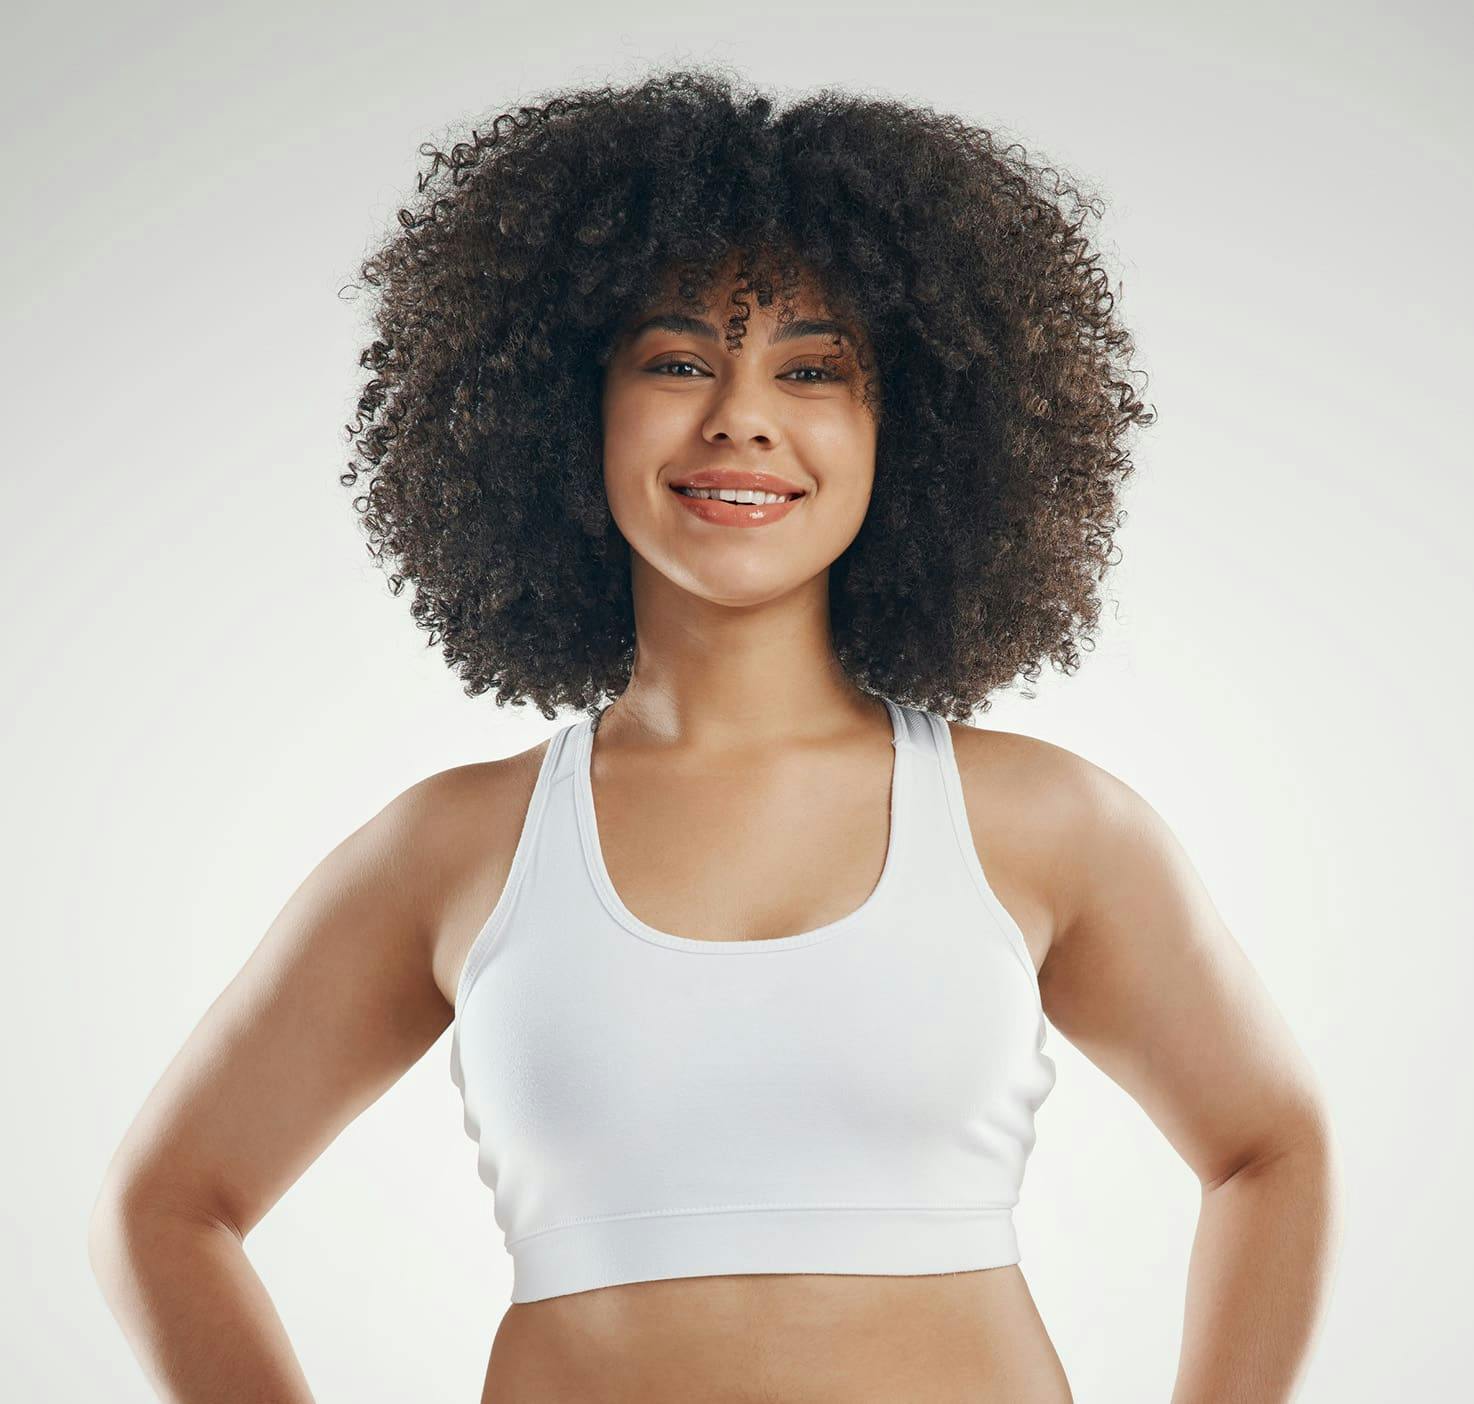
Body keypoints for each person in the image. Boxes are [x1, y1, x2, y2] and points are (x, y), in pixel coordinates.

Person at [88, 66, 1342, 1404]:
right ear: (566, 408)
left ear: (913, 430)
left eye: (812, 370)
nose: (741, 415)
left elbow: (1268, 1150)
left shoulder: (1044, 824)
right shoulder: (454, 848)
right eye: (679, 360)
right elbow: (170, 1207)